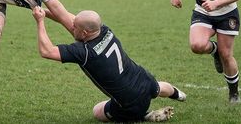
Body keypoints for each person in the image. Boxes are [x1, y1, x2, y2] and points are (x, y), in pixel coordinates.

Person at [32, 8, 186, 123]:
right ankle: (179, 95)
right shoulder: (105, 30)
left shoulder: (84, 52)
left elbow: (47, 51)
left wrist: (40, 21)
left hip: (130, 103)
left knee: (97, 111)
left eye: (75, 27)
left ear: (85, 33)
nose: (72, 27)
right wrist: (43, 12)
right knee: (158, 87)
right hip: (145, 79)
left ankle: (146, 115)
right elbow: (67, 18)